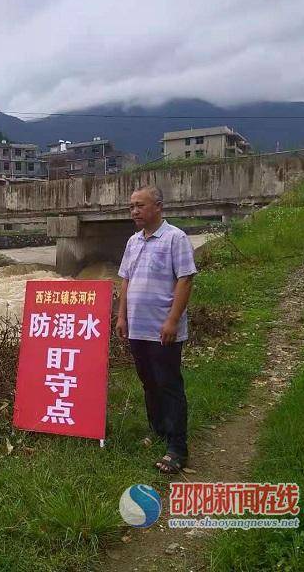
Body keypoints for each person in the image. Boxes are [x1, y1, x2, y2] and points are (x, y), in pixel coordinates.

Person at [116, 185, 197, 474]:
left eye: (140, 205)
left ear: (158, 207)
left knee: (169, 385)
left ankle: (177, 447)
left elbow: (185, 281)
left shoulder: (176, 238)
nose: (134, 211)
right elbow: (125, 280)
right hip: (137, 328)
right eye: (131, 207)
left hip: (163, 329)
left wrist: (173, 320)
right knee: (148, 383)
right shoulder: (133, 242)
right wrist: (122, 317)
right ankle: (158, 430)